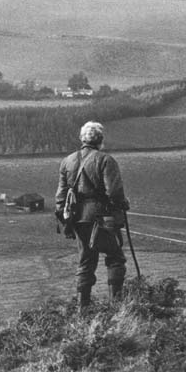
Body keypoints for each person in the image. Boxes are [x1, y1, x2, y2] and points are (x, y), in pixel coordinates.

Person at [55, 121, 129, 311]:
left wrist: (66, 222)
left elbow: (60, 197)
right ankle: (117, 307)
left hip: (77, 220)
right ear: (100, 140)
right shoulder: (105, 160)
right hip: (100, 219)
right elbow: (114, 193)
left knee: (86, 260)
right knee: (115, 257)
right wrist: (121, 205)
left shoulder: (67, 161)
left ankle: (83, 309)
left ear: (82, 139)